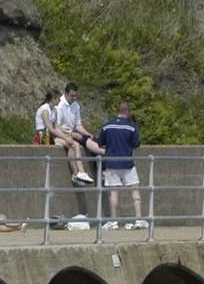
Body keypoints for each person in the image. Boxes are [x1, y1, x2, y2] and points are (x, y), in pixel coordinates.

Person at [98, 101, 146, 230]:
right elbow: (136, 144)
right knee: (135, 191)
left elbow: (100, 143)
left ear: (118, 111)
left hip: (111, 163)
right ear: (128, 112)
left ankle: (113, 221)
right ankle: (138, 219)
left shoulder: (107, 126)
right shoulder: (132, 127)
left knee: (113, 193)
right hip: (128, 163)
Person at [54, 83, 101, 186]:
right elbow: (56, 127)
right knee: (74, 144)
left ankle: (102, 166)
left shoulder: (76, 106)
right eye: (72, 96)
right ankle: (80, 173)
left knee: (90, 141)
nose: (74, 98)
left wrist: (88, 134)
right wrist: (70, 133)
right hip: (60, 134)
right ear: (66, 94)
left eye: (76, 96)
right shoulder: (59, 105)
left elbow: (78, 125)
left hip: (71, 133)